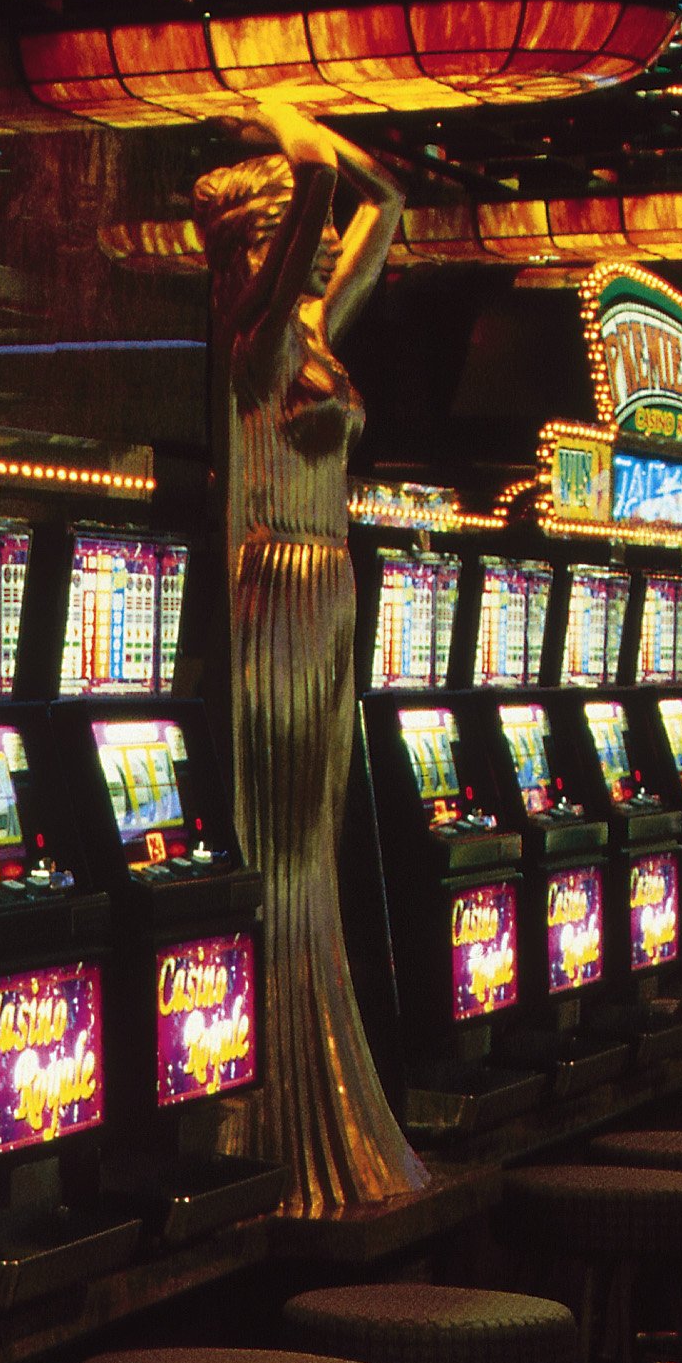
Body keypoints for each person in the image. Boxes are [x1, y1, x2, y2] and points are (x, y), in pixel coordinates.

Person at [194, 101, 426, 1215]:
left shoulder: (318, 332)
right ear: (255, 241)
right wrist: (279, 114)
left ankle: (320, 1073)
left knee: (316, 854)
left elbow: (382, 203)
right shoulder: (253, 338)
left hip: (327, 587)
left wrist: (325, 143)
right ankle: (274, 1107)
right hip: (273, 590)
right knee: (280, 853)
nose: (321, 243)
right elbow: (325, 187)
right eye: (295, 230)